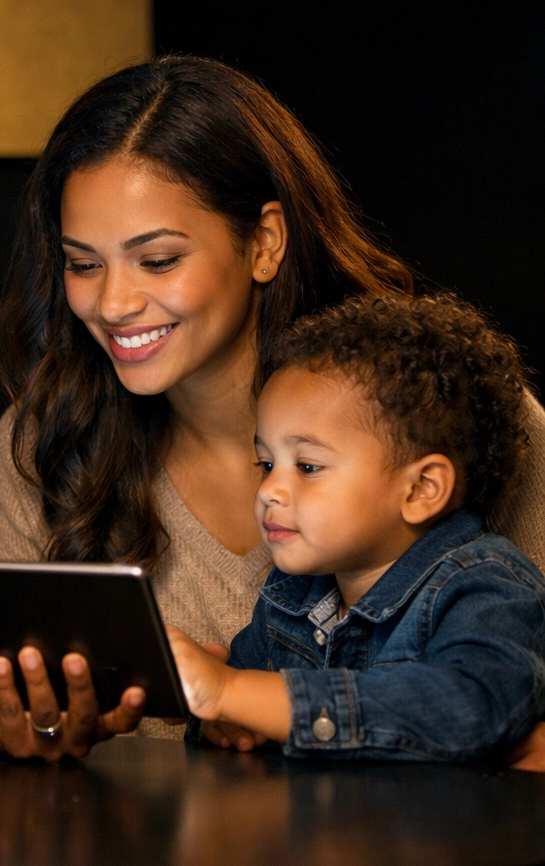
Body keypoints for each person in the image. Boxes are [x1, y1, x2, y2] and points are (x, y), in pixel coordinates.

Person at [0, 56, 545, 763]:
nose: (113, 304)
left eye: (156, 260)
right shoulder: (42, 443)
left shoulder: (453, 418)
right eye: (84, 264)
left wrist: (247, 700)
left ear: (264, 243)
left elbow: (495, 709)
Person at [168, 292, 545, 761]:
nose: (269, 491)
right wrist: (219, 719)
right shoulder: (291, 594)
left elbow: (472, 709)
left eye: (306, 466)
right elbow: (237, 708)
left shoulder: (484, 585)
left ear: (421, 489)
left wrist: (233, 690)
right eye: (266, 463)